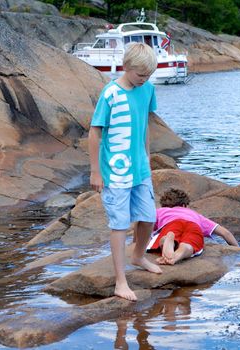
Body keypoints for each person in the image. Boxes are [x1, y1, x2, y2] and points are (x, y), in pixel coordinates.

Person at [88, 42, 162, 301]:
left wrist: (148, 158)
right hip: (115, 171)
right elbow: (95, 133)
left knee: (148, 216)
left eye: (149, 75)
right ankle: (121, 281)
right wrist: (95, 172)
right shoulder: (110, 94)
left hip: (140, 168)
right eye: (141, 75)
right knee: (119, 224)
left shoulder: (148, 89)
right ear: (126, 67)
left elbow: (145, 126)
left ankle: (139, 255)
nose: (145, 80)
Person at [147, 188, 239, 265]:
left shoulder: (161, 211)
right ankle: (179, 254)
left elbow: (146, 225)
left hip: (172, 224)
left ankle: (167, 240)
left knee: (164, 237)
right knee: (190, 245)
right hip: (193, 225)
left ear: (164, 205)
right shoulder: (196, 215)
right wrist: (237, 249)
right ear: (184, 205)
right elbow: (225, 233)